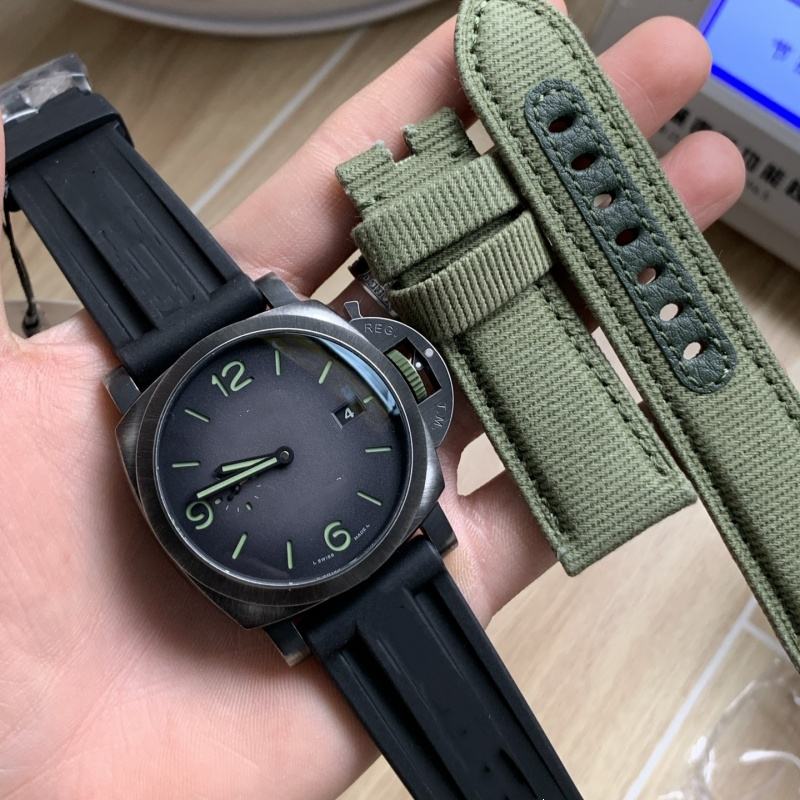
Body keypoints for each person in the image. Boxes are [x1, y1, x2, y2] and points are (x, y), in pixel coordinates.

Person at [0, 2, 745, 798]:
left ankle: (42, 113)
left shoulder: (306, 422)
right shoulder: (227, 410)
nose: (281, 458)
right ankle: (43, 113)